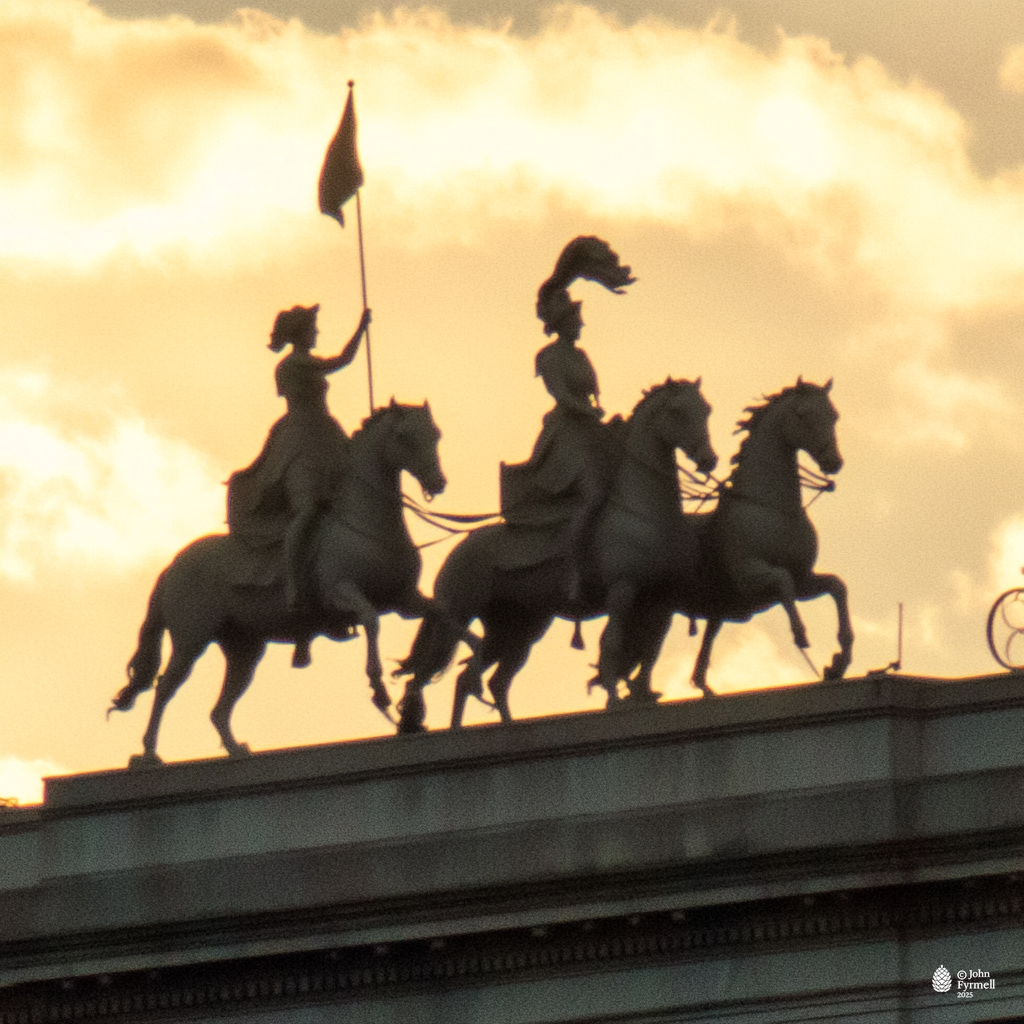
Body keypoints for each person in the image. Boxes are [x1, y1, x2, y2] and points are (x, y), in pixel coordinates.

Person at [228, 304, 370, 664]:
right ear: (301, 332)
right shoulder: (293, 365)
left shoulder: (302, 363)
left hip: (325, 435)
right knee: (307, 511)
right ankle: (293, 588)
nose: (317, 333)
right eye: (313, 328)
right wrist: (361, 327)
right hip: (299, 441)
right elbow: (340, 360)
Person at [500, 237, 634, 607]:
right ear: (561, 322)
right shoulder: (548, 357)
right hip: (566, 435)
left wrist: (604, 418)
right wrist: (589, 413)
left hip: (589, 428)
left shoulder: (582, 355)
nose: (581, 324)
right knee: (592, 496)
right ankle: (573, 569)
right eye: (576, 318)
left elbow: (593, 399)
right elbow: (564, 397)